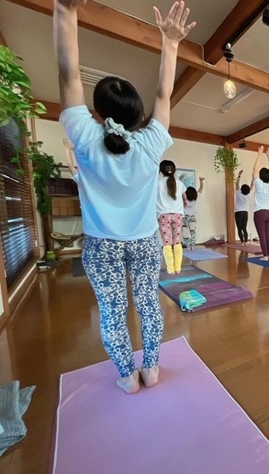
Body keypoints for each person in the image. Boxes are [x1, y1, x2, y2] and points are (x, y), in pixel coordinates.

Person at [55, 0, 195, 394]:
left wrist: (66, 11)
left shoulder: (84, 136)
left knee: (113, 312)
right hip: (145, 240)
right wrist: (170, 43)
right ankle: (151, 368)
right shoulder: (151, 143)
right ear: (136, 115)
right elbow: (164, 95)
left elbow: (68, 73)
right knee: (148, 303)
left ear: (98, 112)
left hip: (102, 245)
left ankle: (127, 376)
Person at [157, 160, 187, 273]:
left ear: (161, 171)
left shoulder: (157, 183)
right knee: (177, 241)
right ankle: (178, 267)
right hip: (178, 215)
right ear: (174, 170)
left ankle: (170, 269)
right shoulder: (180, 183)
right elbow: (185, 199)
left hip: (163, 215)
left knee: (167, 243)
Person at [251, 146, 269, 260]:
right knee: (267, 235)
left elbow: (254, 170)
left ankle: (265, 256)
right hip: (268, 213)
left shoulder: (258, 184)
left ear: (260, 176)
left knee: (262, 236)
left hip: (259, 213)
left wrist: (260, 154)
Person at [182, 176, 204, 251]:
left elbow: (181, 190)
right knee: (193, 232)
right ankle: (193, 245)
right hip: (192, 217)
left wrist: (181, 180)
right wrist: (201, 181)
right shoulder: (196, 197)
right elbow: (201, 189)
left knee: (185, 232)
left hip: (184, 217)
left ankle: (188, 246)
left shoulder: (184, 198)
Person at [235, 170, 250, 246]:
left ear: (241, 189)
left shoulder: (238, 193)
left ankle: (241, 242)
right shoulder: (248, 195)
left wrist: (239, 175)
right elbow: (251, 185)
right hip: (245, 213)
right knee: (244, 228)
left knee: (239, 228)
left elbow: (237, 184)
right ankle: (246, 242)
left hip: (238, 213)